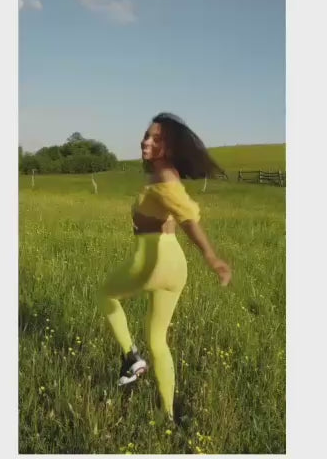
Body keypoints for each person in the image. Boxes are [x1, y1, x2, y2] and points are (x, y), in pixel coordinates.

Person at [98, 112, 232, 422]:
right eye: (147, 135)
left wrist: (212, 257)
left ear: (169, 147)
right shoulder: (165, 174)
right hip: (174, 265)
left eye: (156, 139)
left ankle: (131, 357)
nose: (146, 141)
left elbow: (188, 218)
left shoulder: (164, 179)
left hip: (151, 259)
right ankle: (168, 414)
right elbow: (181, 212)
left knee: (105, 294)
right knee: (158, 339)